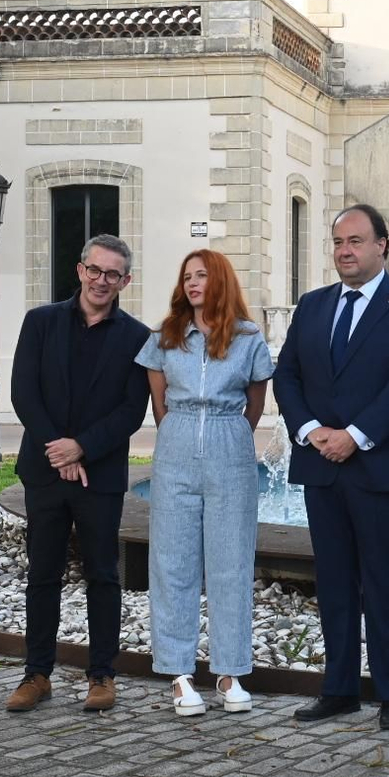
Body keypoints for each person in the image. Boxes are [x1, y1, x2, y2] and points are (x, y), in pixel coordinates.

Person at [271, 204, 389, 731]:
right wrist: (310, 430)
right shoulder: (313, 305)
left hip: (379, 468)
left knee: (384, 582)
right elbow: (287, 376)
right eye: (338, 242)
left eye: (356, 241)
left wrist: (355, 436)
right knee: (335, 582)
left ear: (381, 245)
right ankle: (338, 688)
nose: (345, 251)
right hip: (322, 466)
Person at [5, 234, 151, 714]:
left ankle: (102, 676)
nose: (102, 281)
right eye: (95, 270)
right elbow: (23, 392)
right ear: (80, 269)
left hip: (100, 475)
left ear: (125, 281)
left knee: (103, 576)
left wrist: (82, 448)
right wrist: (59, 452)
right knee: (42, 575)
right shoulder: (40, 322)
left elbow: (132, 410)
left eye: (113, 274)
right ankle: (37, 673)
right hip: (46, 472)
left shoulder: (137, 337)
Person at [137, 249, 274, 718]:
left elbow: (254, 405)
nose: (194, 283)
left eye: (202, 276)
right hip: (175, 446)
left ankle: (230, 671)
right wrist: (180, 434)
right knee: (172, 563)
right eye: (187, 277)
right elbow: (159, 403)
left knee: (231, 562)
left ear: (220, 281)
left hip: (229, 445)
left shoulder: (249, 339)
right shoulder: (164, 337)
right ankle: (178, 674)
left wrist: (225, 434)